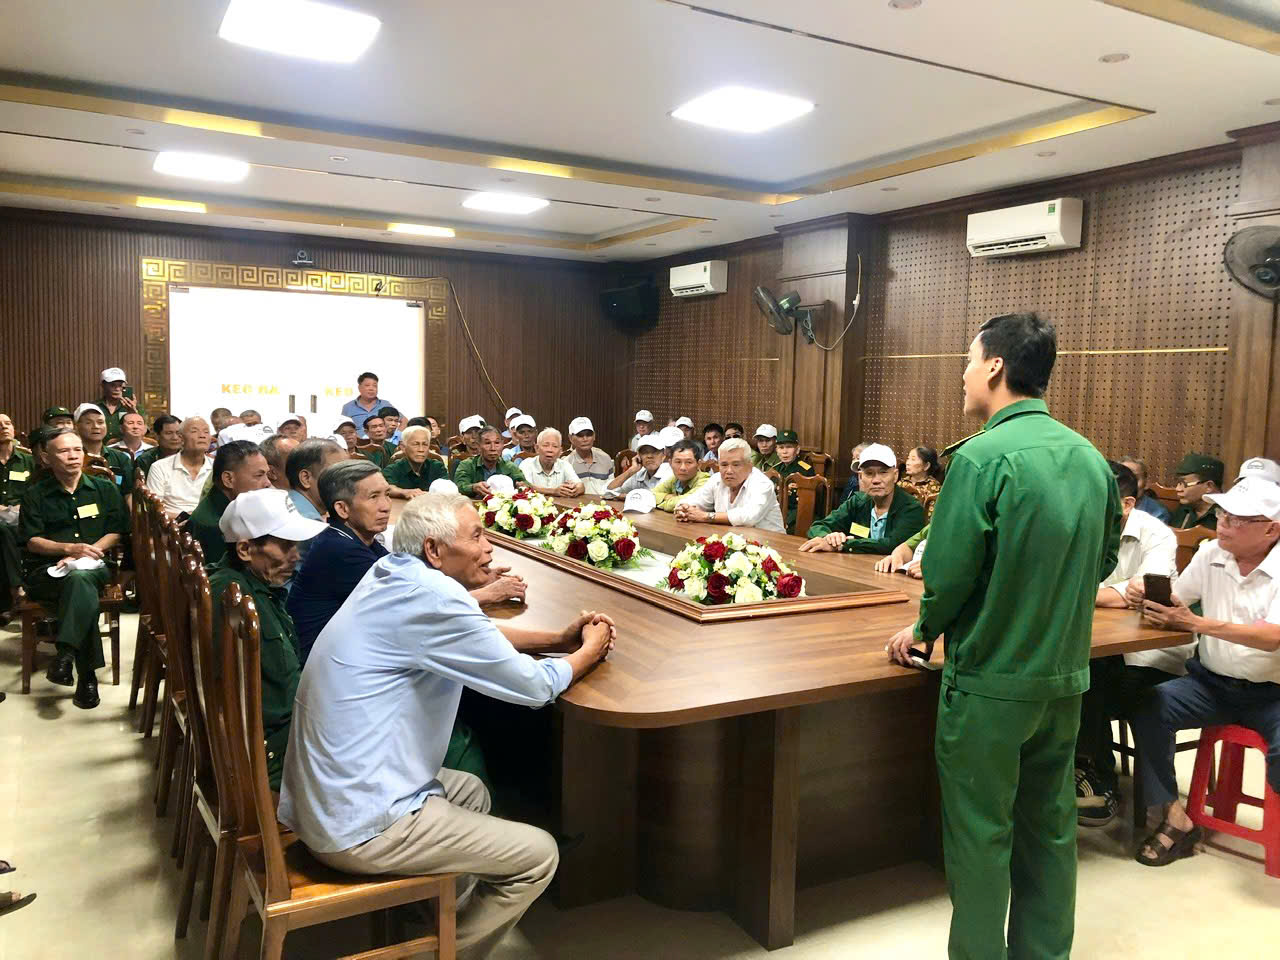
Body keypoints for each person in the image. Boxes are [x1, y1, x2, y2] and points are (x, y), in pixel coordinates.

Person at [278, 492, 615, 959]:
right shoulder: (432, 597)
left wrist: (558, 639)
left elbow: (473, 632)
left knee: (471, 791)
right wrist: (588, 652)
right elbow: (534, 686)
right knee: (538, 856)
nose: (488, 548)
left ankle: (439, 921)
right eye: (476, 536)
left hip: (326, 797)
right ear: (434, 550)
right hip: (358, 824)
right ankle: (441, 953)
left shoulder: (394, 573)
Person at [885, 311, 1121, 960]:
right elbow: (1103, 561)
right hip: (1063, 680)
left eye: (968, 360)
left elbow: (949, 573)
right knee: (1051, 830)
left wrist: (925, 628)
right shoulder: (1090, 458)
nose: (962, 375)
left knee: (980, 837)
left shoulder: (981, 458)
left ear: (994, 366)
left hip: (990, 683)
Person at [1127, 475, 1280, 867]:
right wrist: (1150, 595)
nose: (1223, 523)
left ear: (1271, 529)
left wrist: (1196, 623)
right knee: (1150, 705)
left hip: (1273, 695)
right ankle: (1174, 816)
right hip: (1212, 685)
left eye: (1238, 519)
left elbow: (1271, 637)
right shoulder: (1211, 552)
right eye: (1223, 514)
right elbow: (1181, 598)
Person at [1073, 462, 1185, 826]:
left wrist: (1089, 594)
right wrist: (1115, 594)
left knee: (1088, 679)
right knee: (1072, 671)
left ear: (1127, 503)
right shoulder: (1081, 527)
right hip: (1103, 642)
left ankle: (1099, 779)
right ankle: (1075, 769)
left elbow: (1145, 592)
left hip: (1151, 654)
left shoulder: (1156, 534)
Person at [210, 488, 326, 789]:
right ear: (245, 549)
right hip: (274, 752)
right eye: (285, 545)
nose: (295, 556)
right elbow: (272, 705)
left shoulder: (252, 587)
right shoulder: (235, 602)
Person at [19, 429, 128, 708]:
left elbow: (116, 531)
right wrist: (68, 549)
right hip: (47, 570)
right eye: (64, 451)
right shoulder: (35, 494)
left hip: (95, 563)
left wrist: (87, 553)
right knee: (80, 588)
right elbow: (31, 540)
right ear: (47, 457)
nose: (73, 456)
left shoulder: (104, 489)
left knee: (80, 579)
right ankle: (85, 676)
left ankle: (66, 655)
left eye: (77, 450)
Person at [801, 444, 925, 554]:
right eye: (869, 473)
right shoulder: (858, 501)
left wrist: (844, 545)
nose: (876, 480)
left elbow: (893, 544)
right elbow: (818, 526)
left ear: (895, 475)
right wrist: (829, 538)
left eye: (883, 473)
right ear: (860, 477)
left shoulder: (911, 508)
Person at [673, 437, 785, 533]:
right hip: (730, 539)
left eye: (736, 465)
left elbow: (749, 517)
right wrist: (683, 509)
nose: (729, 471)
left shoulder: (762, 483)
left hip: (772, 544)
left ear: (749, 466)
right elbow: (693, 500)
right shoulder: (716, 479)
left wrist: (706, 516)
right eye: (724, 465)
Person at [189, 440, 270, 566]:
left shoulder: (226, 506)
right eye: (259, 475)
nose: (268, 483)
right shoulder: (215, 527)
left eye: (267, 474)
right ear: (228, 479)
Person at [0, 413, 36, 621]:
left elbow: (37, 493)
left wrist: (21, 507)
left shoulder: (28, 460)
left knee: (7, 531)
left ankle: (9, 599)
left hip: (23, 515)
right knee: (4, 530)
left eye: (8, 423)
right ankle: (17, 589)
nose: (4, 427)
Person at [146, 417, 213, 517]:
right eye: (194, 431)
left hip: (208, 522)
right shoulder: (159, 467)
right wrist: (187, 518)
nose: (202, 436)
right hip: (172, 522)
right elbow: (153, 509)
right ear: (181, 438)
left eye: (206, 432)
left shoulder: (218, 467)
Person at [74, 403, 134, 495]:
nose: (96, 426)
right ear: (76, 427)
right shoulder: (73, 458)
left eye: (100, 422)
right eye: (88, 423)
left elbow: (128, 494)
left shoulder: (121, 458)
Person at [285, 438, 347, 522]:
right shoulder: (306, 522)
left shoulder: (288, 506)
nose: (347, 482)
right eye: (338, 473)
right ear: (306, 478)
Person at [454, 427, 526, 499]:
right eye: (487, 443)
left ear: (502, 445)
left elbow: (525, 484)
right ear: (478, 446)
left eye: (497, 443)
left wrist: (522, 486)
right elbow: (459, 487)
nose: (493, 448)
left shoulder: (509, 466)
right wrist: (473, 488)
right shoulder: (467, 465)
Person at [384, 425, 449, 498]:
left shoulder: (437, 467)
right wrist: (404, 492)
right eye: (415, 444)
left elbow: (449, 488)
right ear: (403, 447)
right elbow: (387, 488)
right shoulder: (393, 469)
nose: (421, 449)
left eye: (425, 444)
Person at [774, 429, 817, 531]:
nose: (785, 452)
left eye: (789, 447)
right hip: (776, 511)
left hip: (796, 513)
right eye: (781, 447)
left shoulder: (805, 470)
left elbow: (806, 504)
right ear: (776, 450)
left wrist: (785, 521)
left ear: (797, 450)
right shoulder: (775, 470)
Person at [521, 428, 583, 497]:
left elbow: (581, 486)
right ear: (537, 448)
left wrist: (574, 490)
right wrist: (553, 491)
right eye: (545, 445)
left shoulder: (565, 465)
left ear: (560, 451)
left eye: (555, 446)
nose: (550, 450)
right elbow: (524, 486)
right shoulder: (526, 464)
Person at [1169, 452, 1223, 530]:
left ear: (1209, 486)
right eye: (1178, 482)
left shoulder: (1226, 516)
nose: (1178, 489)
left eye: (1184, 483)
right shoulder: (1184, 509)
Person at [605, 436, 670, 498]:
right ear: (638, 456)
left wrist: (630, 496)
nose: (649, 456)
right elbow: (608, 492)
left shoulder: (670, 473)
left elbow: (660, 497)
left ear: (663, 455)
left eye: (654, 452)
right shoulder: (639, 474)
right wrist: (631, 470)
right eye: (645, 452)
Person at [561, 417, 613, 495]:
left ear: (594, 436)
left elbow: (612, 488)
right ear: (570, 438)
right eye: (580, 435)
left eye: (589, 434)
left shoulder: (605, 458)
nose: (585, 439)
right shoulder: (566, 463)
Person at [652, 440, 709, 511]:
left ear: (699, 464)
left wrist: (661, 503)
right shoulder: (675, 479)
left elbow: (682, 504)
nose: (682, 468)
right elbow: (649, 495)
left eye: (689, 462)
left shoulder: (705, 481)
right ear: (670, 463)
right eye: (678, 462)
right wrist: (666, 496)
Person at [96, 366, 143, 442]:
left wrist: (133, 413)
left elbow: (144, 432)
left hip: (125, 447)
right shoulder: (94, 407)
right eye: (113, 385)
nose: (117, 389)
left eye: (120, 385)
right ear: (103, 385)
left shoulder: (135, 407)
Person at [1120, 455, 1171, 524]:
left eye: (1135, 478)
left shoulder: (1158, 513)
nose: (1127, 484)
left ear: (1146, 483)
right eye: (1122, 478)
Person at [342, 372, 395, 438]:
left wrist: (396, 437)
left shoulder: (385, 404)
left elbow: (404, 420)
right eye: (367, 385)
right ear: (359, 388)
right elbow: (342, 430)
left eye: (375, 386)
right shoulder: (348, 407)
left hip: (381, 442)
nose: (371, 389)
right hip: (358, 443)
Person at [136, 415, 183, 479]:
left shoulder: (190, 457)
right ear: (157, 436)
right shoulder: (145, 460)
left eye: (178, 433)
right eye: (169, 433)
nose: (175, 438)